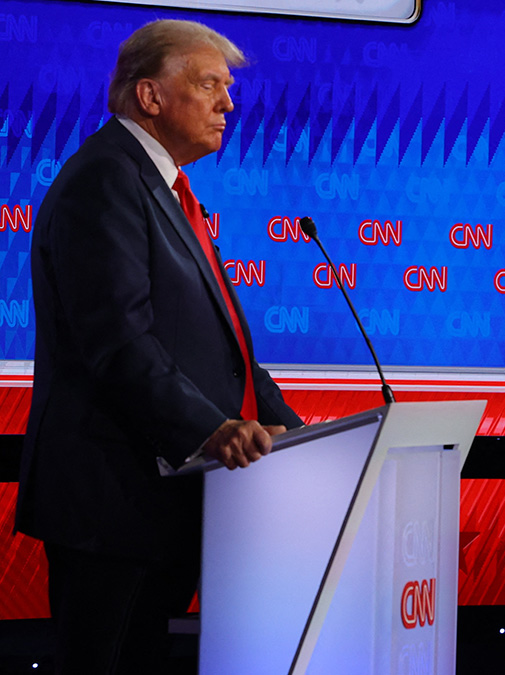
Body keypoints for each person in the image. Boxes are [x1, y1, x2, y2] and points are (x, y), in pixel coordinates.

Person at [15, 20, 303, 673]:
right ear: (149, 96)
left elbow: (223, 336)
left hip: (161, 502)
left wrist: (289, 425)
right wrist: (213, 427)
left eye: (226, 88)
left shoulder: (163, 189)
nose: (228, 103)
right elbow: (117, 341)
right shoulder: (105, 180)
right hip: (110, 506)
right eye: (209, 85)